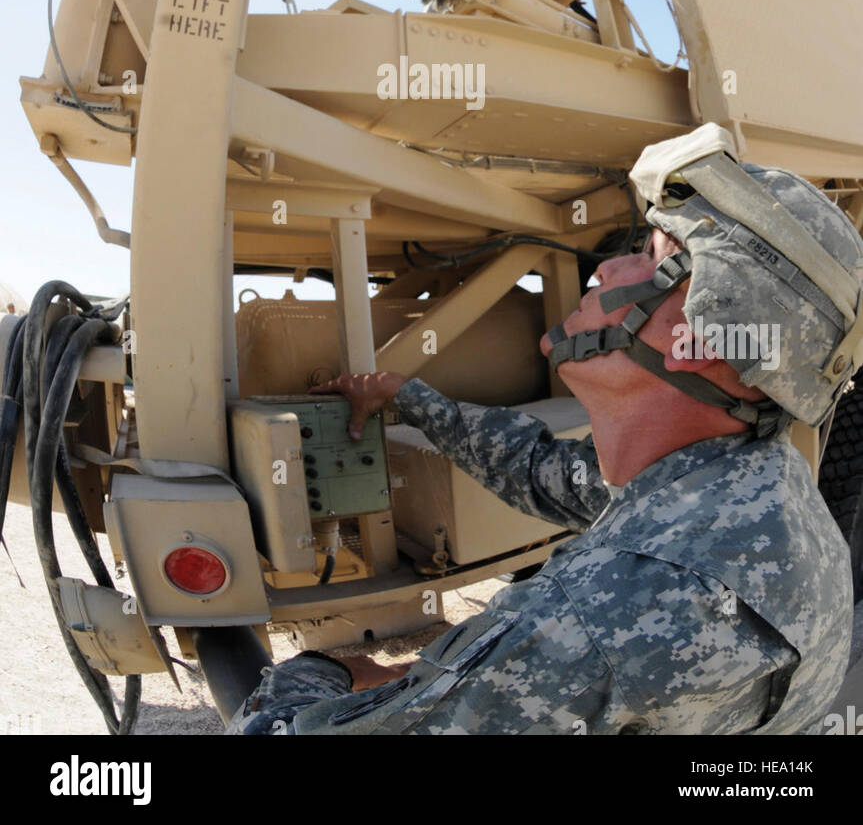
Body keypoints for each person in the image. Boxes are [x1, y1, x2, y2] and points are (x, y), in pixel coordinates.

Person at [228, 123, 863, 736]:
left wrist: (320, 671)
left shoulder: (600, 612)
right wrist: (407, 397)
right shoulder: (749, 486)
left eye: (649, 254)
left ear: (697, 339)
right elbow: (543, 471)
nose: (606, 272)